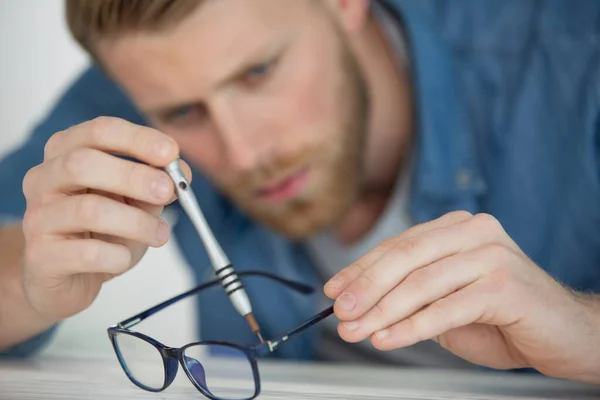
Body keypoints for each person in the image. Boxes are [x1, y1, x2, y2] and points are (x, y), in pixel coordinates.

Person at [0, 0, 599, 384]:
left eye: (258, 73)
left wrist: (583, 330)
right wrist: (29, 278)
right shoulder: (144, 72)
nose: (242, 154)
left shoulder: (575, 53)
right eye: (184, 112)